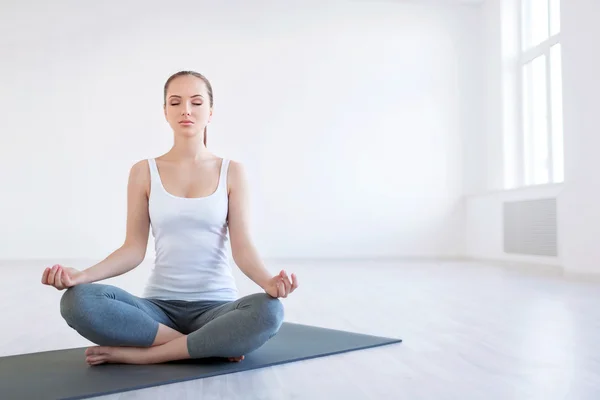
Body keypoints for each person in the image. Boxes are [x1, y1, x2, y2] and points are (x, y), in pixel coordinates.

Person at [40, 70, 299, 366]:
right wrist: (80, 276)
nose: (186, 110)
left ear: (210, 112)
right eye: (175, 102)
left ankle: (146, 356)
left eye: (196, 102)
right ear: (165, 111)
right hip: (158, 311)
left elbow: (242, 248)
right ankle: (203, 345)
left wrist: (268, 281)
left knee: (270, 312)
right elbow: (133, 249)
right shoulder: (143, 171)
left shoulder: (232, 172)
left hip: (218, 310)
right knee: (78, 301)